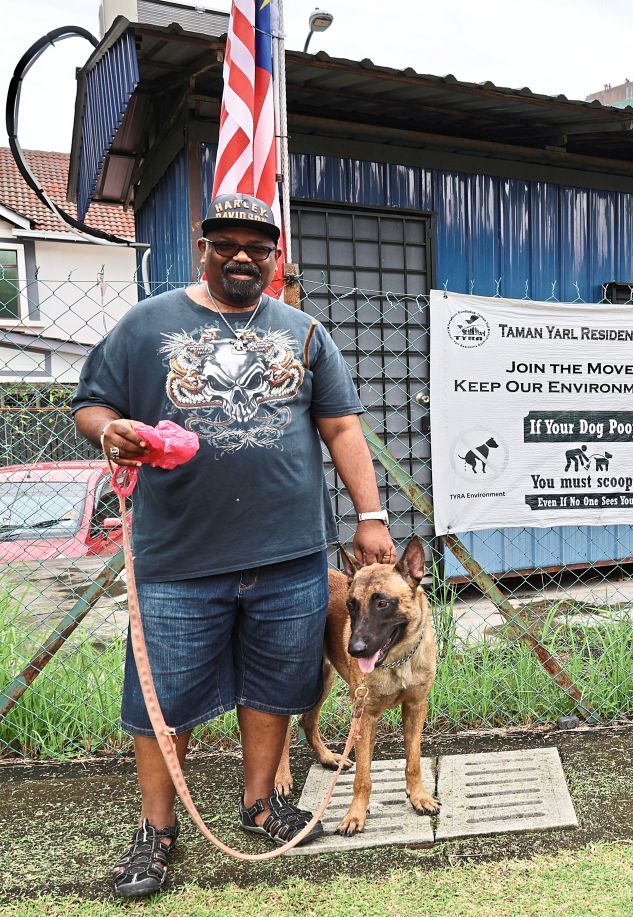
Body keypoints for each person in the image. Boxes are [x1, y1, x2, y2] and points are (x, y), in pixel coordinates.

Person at [72, 193, 396, 898]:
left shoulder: (306, 332)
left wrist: (370, 514)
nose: (243, 256)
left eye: (259, 246)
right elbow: (90, 402)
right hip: (178, 558)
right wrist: (109, 430)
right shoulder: (147, 323)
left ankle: (261, 804)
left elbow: (341, 427)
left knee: (275, 688)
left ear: (277, 257)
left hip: (290, 556)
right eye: (227, 244)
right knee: (164, 702)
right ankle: (155, 832)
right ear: (203, 247)